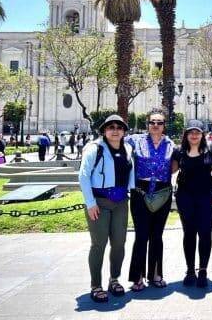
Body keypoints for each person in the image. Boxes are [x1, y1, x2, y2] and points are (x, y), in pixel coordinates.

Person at [78, 114, 135, 303]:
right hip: (99, 202)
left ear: (124, 131)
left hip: (120, 202)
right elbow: (84, 175)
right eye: (111, 127)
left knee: (119, 243)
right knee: (99, 244)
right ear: (104, 130)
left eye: (119, 127)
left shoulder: (127, 148)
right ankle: (96, 285)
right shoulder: (94, 148)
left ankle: (114, 279)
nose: (115, 130)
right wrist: (90, 203)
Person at [126, 109, 174, 291]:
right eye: (152, 122)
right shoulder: (134, 140)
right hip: (140, 193)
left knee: (157, 236)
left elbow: (178, 164)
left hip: (162, 193)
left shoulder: (170, 145)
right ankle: (137, 277)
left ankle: (155, 274)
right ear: (147, 124)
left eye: (159, 122)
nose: (155, 125)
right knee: (141, 235)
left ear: (164, 126)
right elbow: (113, 141)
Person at [171, 119, 212, 288]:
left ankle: (203, 270)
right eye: (191, 132)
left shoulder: (211, 149)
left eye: (197, 132)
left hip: (205, 197)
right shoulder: (179, 151)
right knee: (189, 233)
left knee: (205, 233)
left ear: (202, 134)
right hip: (185, 198)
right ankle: (190, 270)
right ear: (186, 135)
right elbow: (170, 170)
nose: (194, 135)